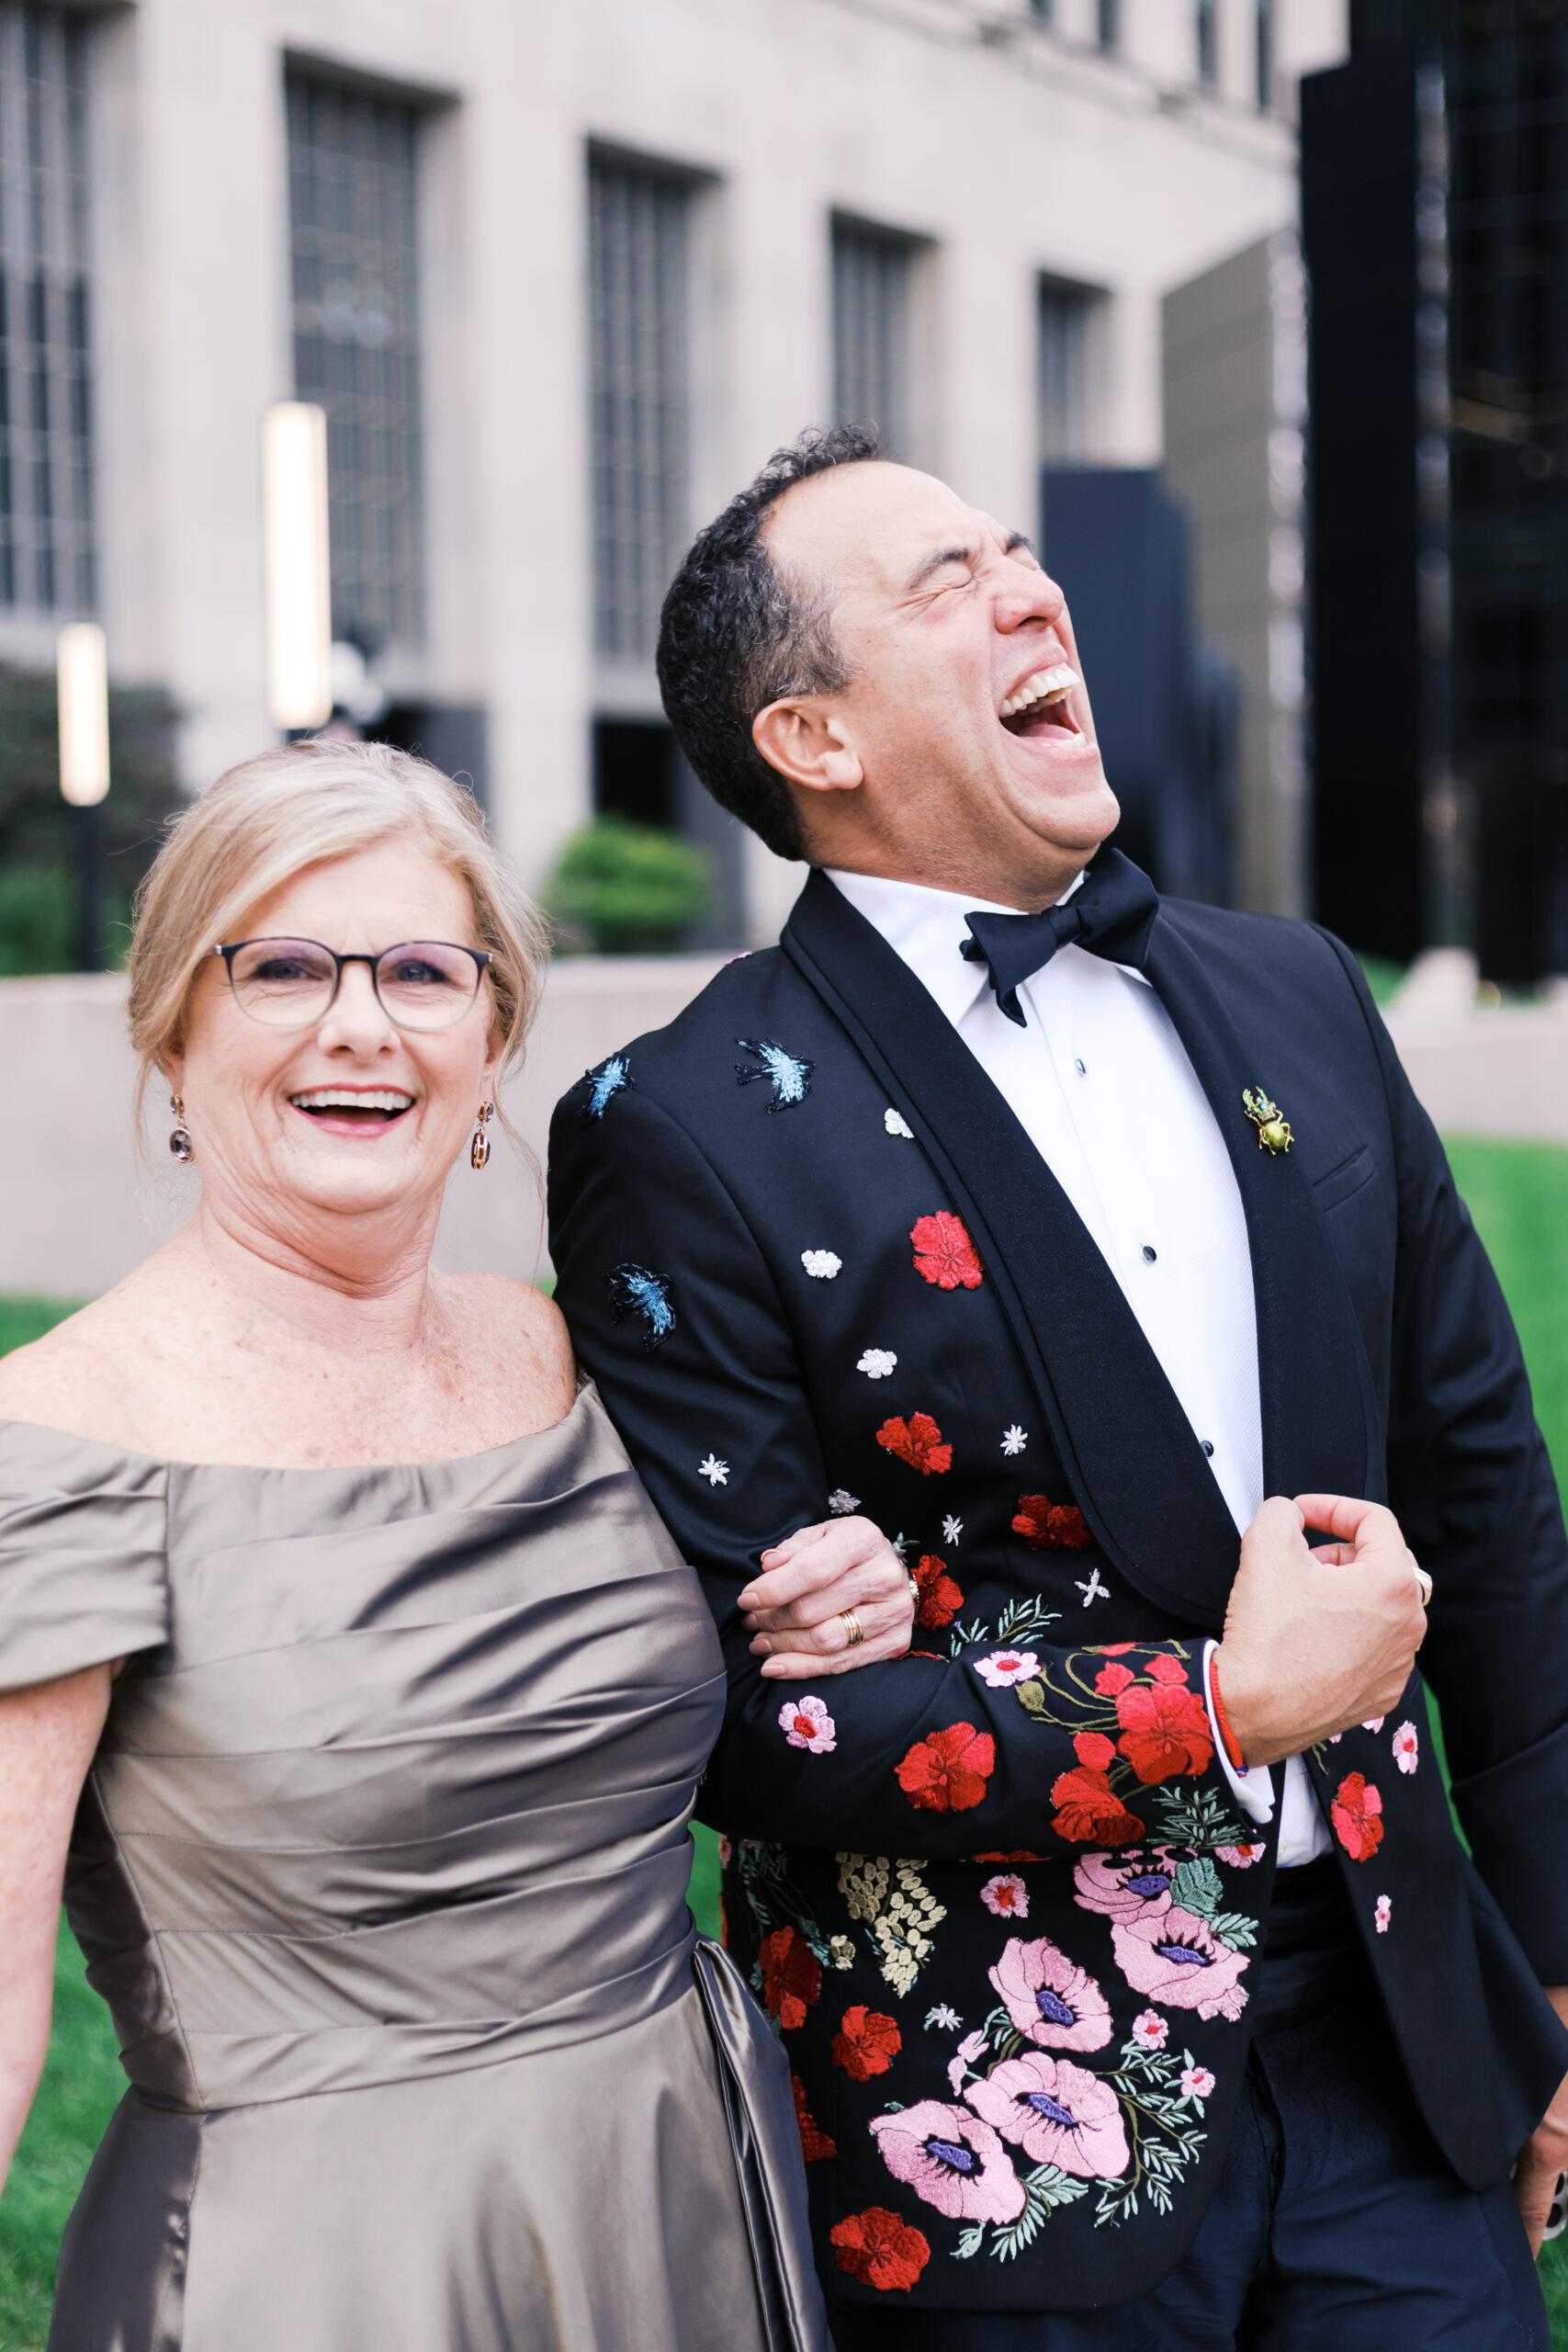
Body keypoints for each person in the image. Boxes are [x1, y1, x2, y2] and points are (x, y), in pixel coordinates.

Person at [547, 426, 1568, 2350]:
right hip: (989, 2137)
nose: (1029, 591)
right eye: (941, 584)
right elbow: (733, 1727)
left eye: (1017, 553)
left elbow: (1491, 1509)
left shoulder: (1298, 993)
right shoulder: (676, 1132)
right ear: (812, 738)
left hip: (1398, 2049)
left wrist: (1555, 1969)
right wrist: (1215, 1706)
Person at [0, 739, 916, 2352]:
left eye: (425, 970)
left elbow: (706, 1664)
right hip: (313, 2272)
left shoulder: (579, 1359)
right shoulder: (58, 1441)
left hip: (678, 2197)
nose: (360, 1021)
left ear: (493, 1043)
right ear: (171, 1020)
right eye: (281, 965)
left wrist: (841, 1593)